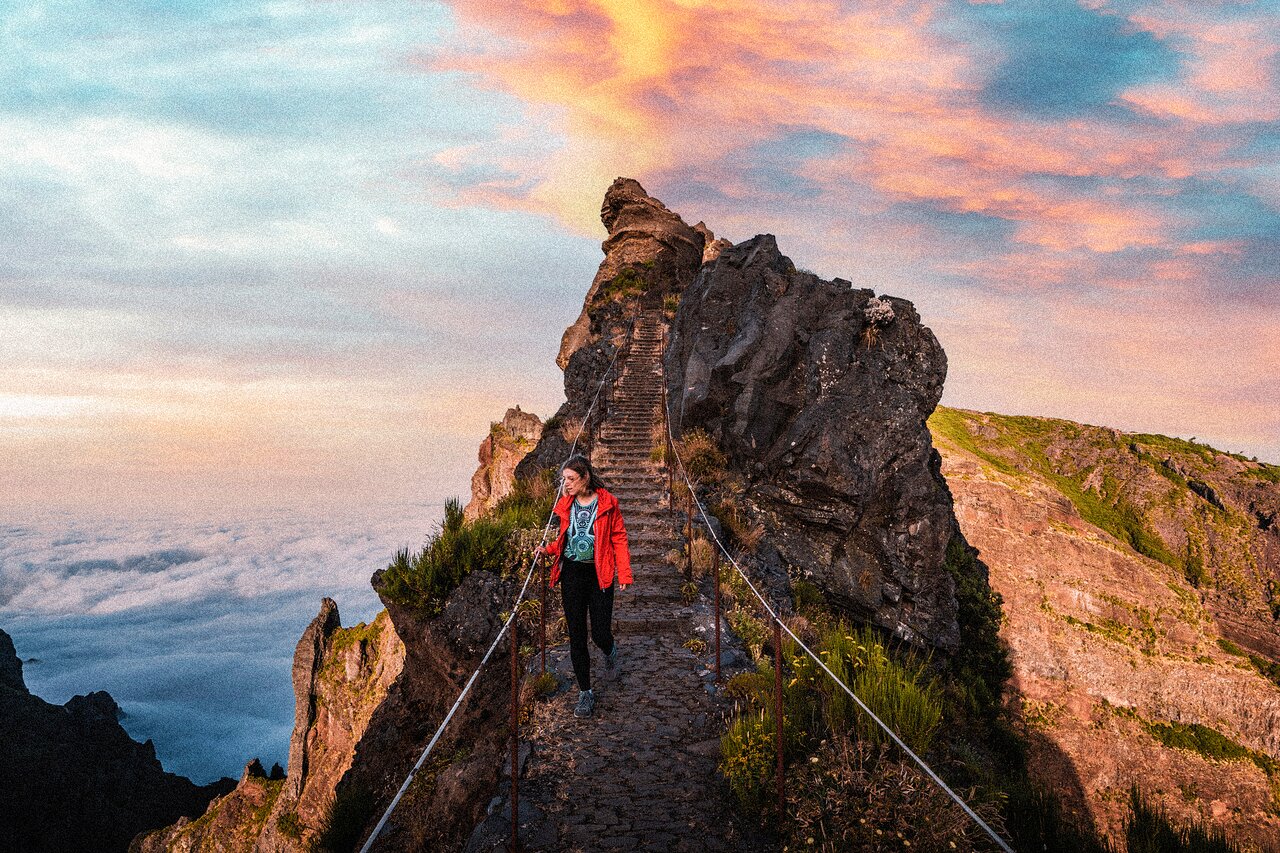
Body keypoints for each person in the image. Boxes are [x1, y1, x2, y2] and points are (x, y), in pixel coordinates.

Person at [535, 455, 633, 718]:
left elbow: (619, 539)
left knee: (600, 632)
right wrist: (550, 550)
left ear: (585, 477)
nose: (565, 484)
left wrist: (623, 573)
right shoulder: (566, 504)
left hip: (599, 574)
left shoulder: (608, 503)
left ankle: (610, 651)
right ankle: (585, 693)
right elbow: (567, 537)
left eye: (570, 479)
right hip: (572, 574)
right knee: (576, 634)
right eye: (563, 479)